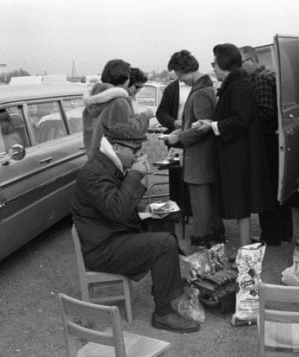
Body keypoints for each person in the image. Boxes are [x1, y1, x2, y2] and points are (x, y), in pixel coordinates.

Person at [71, 123, 200, 333]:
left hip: (108, 237)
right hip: (101, 249)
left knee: (163, 228)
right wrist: (135, 176)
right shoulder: (95, 172)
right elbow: (118, 211)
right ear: (116, 147)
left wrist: (146, 209)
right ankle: (163, 313)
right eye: (135, 151)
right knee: (165, 243)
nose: (138, 156)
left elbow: (116, 206)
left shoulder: (106, 164)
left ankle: (166, 284)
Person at [193, 43, 274, 247]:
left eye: (214, 63)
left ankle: (245, 250)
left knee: (241, 203)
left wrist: (213, 125)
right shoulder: (236, 84)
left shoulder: (237, 86)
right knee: (240, 204)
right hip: (238, 153)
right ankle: (244, 248)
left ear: (223, 64)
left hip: (238, 155)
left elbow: (240, 119)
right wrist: (211, 124)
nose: (213, 68)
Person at [162, 50, 225, 247]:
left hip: (200, 155)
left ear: (187, 70)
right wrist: (185, 126)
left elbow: (202, 129)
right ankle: (215, 230)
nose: (180, 80)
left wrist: (177, 137)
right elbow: (201, 124)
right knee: (207, 196)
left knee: (200, 198)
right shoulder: (206, 88)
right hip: (204, 153)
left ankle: (201, 235)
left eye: (180, 75)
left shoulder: (199, 93)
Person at [239, 45, 293, 246]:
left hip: (267, 141)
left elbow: (265, 112)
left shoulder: (260, 80)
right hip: (276, 141)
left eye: (241, 63)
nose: (240, 68)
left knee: (266, 190)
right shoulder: (270, 75)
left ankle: (270, 235)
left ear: (252, 60)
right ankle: (284, 232)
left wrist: (244, 123)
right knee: (281, 192)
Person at [82, 59, 136, 158]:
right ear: (126, 79)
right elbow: (129, 135)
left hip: (95, 161)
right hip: (114, 162)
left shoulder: (92, 101)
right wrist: (145, 117)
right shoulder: (119, 102)